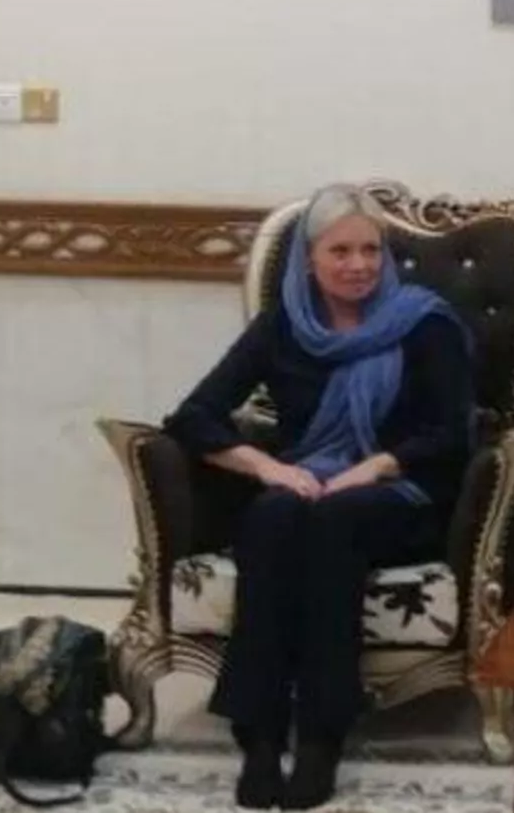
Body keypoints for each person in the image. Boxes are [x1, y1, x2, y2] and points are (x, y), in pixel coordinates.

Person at [162, 184, 475, 810]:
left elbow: (451, 432)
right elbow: (193, 415)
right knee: (274, 513)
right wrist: (266, 467)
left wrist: (374, 467)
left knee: (332, 517)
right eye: (341, 251)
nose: (359, 265)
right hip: (309, 483)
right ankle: (259, 736)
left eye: (371, 250)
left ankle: (320, 737)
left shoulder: (424, 323)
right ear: (310, 259)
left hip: (404, 493)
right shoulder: (284, 327)